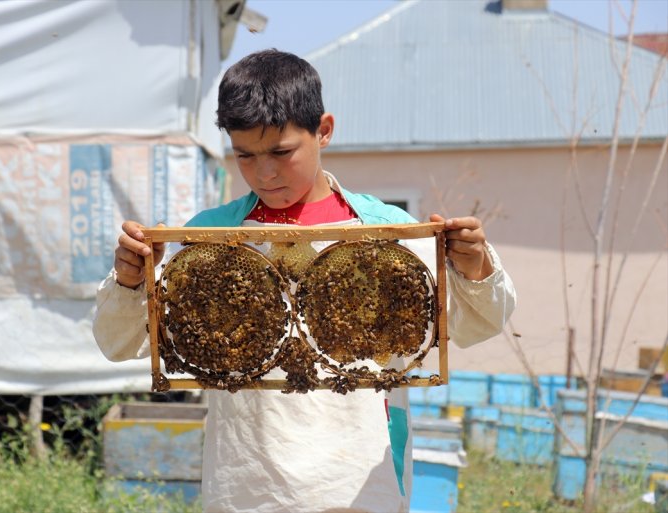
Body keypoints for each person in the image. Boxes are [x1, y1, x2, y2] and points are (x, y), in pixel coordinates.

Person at [93, 49, 516, 513]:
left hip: (359, 486)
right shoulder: (206, 240)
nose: (265, 172)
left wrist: (473, 265)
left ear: (324, 131)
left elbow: (477, 322)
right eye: (245, 156)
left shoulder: (388, 233)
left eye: (281, 152)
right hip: (247, 486)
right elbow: (120, 341)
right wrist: (130, 281)